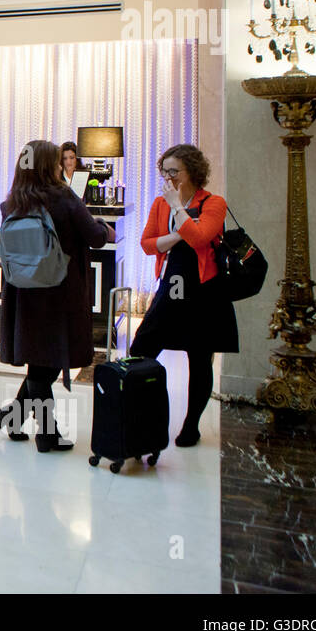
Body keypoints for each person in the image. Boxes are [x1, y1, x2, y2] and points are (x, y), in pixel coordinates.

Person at [0, 139, 114, 451]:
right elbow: (94, 236)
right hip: (59, 292)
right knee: (44, 364)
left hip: (24, 292)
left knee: (40, 360)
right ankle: (46, 434)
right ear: (51, 165)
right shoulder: (63, 197)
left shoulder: (13, 202)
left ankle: (15, 418)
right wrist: (105, 228)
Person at [129, 144, 238, 447]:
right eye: (164, 171)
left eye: (174, 171)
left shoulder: (214, 203)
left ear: (192, 171)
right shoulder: (159, 203)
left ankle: (191, 426)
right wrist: (178, 235)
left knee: (199, 359)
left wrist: (178, 208)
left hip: (204, 293)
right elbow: (147, 244)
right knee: (140, 349)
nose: (168, 177)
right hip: (171, 286)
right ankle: (143, 416)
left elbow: (200, 239)